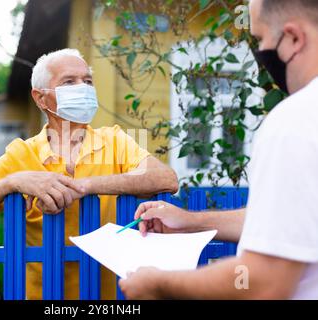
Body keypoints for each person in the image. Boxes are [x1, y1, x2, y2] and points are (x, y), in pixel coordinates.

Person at [119, 0, 318, 300]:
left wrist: (159, 283)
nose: (260, 52)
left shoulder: (294, 122)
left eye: (262, 39)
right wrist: (191, 222)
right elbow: (291, 221)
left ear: (293, 38)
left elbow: (262, 281)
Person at [0, 48, 179, 299]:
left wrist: (84, 185)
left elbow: (166, 179)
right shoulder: (21, 154)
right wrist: (12, 182)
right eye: (69, 81)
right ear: (41, 99)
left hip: (112, 296)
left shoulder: (114, 140)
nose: (84, 88)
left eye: (88, 81)